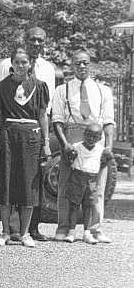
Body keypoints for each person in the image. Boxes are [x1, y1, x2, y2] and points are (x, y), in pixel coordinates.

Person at [0, 27, 57, 240]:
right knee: (9, 178)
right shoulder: (5, 66)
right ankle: (10, 229)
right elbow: (2, 103)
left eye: (41, 40)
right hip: (11, 131)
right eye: (33, 40)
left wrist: (45, 139)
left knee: (31, 180)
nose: (37, 43)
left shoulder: (47, 69)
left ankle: (31, 229)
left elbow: (45, 108)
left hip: (33, 130)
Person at [52, 50, 115, 243]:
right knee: (66, 186)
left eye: (85, 63)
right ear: (72, 65)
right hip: (72, 137)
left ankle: (94, 229)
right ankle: (63, 229)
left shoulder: (103, 90)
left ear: (90, 65)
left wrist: (109, 147)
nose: (81, 67)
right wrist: (65, 145)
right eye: (78, 63)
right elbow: (57, 120)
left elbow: (108, 122)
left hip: (96, 139)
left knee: (96, 187)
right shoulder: (62, 90)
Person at [60, 122, 110, 244]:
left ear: (99, 138)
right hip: (77, 178)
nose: (91, 139)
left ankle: (86, 232)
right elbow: (68, 158)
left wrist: (97, 169)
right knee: (74, 205)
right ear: (84, 134)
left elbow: (106, 161)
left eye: (94, 137)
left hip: (92, 180)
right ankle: (71, 231)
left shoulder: (101, 150)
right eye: (88, 135)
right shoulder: (76, 147)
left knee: (88, 206)